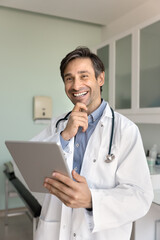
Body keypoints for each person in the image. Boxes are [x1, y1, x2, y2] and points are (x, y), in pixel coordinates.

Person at [32, 47, 153, 240]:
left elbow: (140, 197)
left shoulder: (125, 130)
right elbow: (29, 165)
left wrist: (91, 200)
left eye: (84, 76)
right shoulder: (58, 125)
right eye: (69, 78)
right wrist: (63, 136)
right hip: (55, 232)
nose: (76, 85)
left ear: (100, 79)